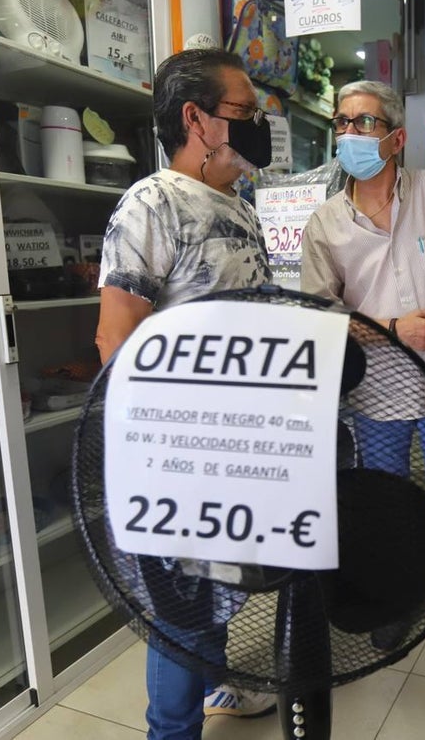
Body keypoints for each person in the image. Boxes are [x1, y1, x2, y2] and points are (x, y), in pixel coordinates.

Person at [94, 48, 276, 739]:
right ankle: (171, 730)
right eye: (244, 111)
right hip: (180, 458)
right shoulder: (152, 202)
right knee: (182, 613)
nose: (257, 124)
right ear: (196, 118)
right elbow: (117, 338)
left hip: (238, 453)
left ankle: (214, 692)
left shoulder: (240, 205)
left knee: (219, 595)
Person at [301, 80, 425, 645]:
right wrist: (393, 331)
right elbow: (321, 316)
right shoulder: (326, 225)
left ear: (397, 138)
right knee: (384, 506)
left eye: (363, 123)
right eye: (341, 123)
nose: (349, 133)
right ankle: (390, 602)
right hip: (377, 394)